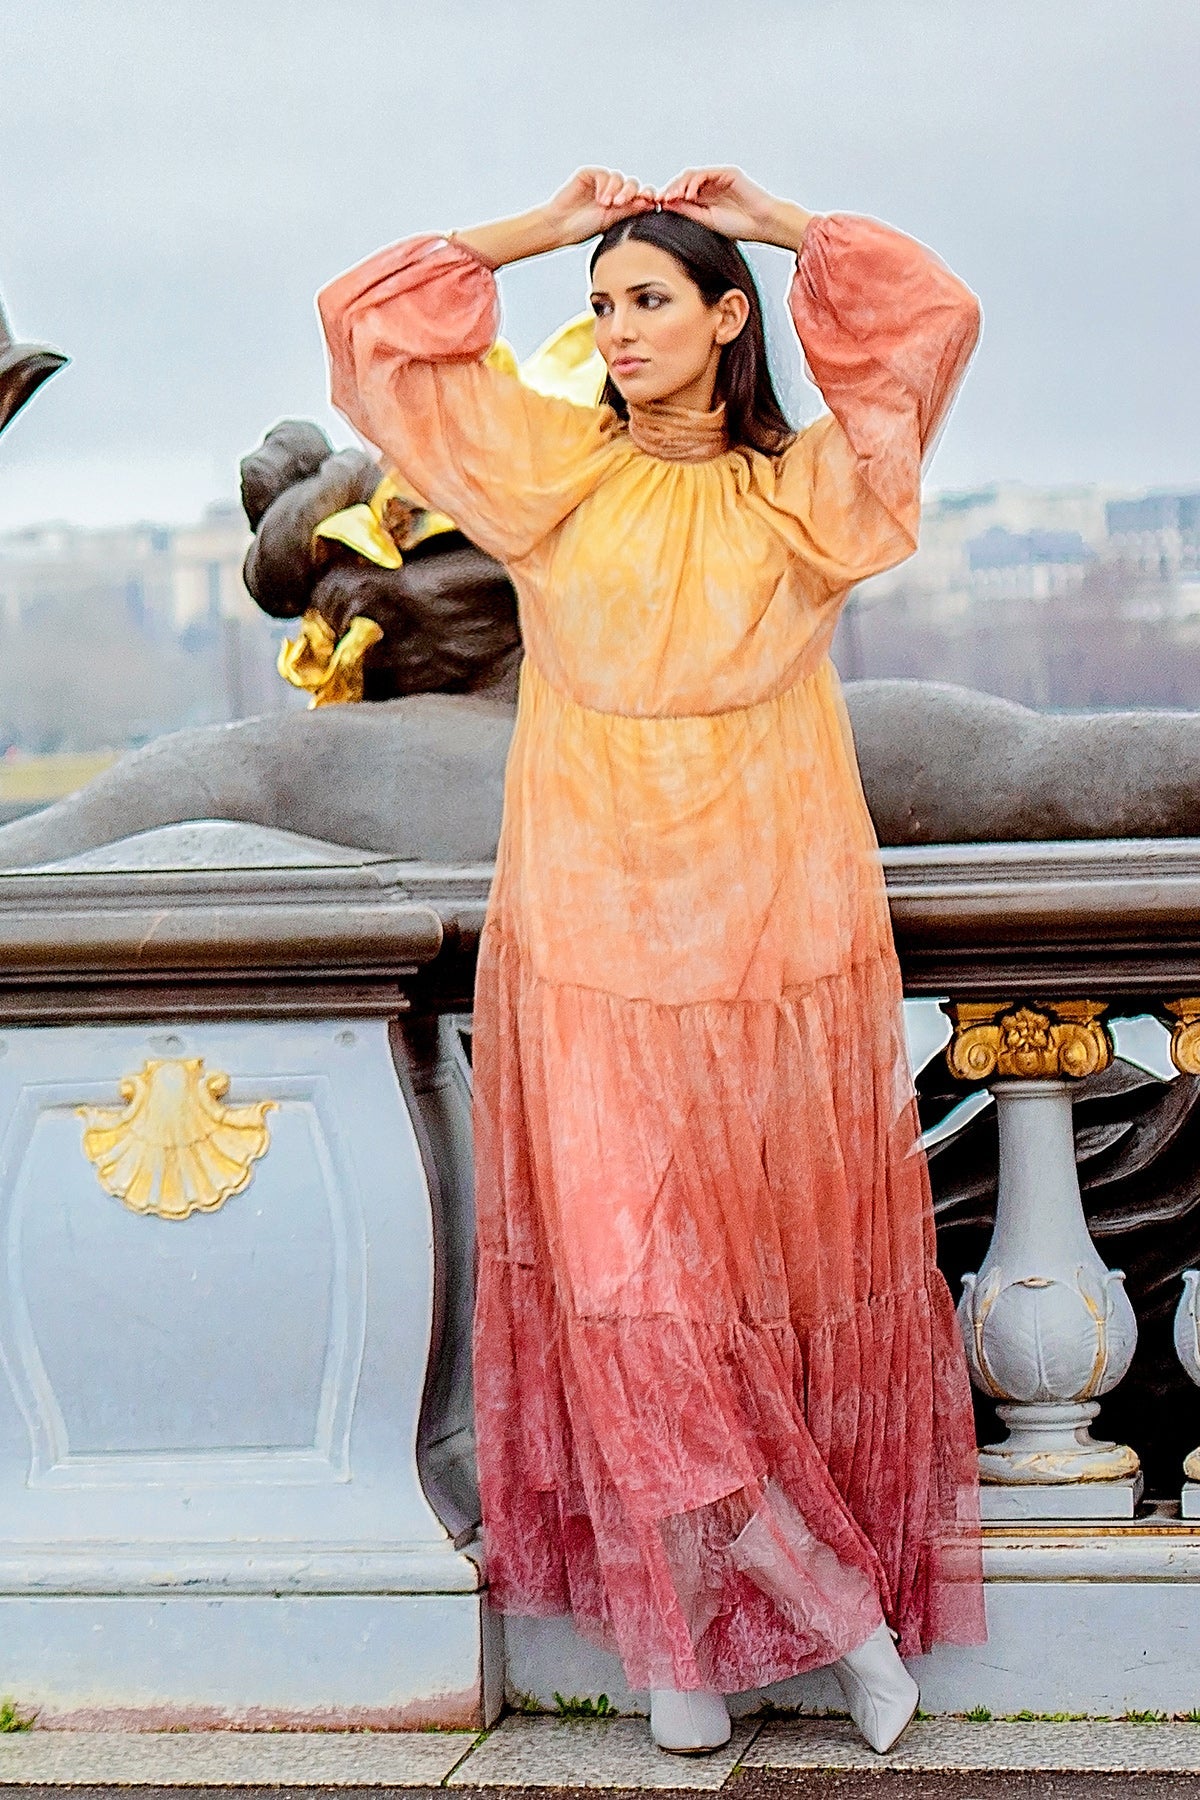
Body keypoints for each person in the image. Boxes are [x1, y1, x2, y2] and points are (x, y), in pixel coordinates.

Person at [318, 165, 985, 1756]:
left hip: (774, 952)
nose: (615, 329)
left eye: (649, 300)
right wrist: (543, 231)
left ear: (728, 318)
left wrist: (780, 220)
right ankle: (828, 1608)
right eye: (602, 304)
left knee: (747, 1308)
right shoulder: (552, 472)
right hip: (591, 950)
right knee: (636, 1310)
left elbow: (933, 317)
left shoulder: (807, 496)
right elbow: (368, 321)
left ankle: (689, 1653)